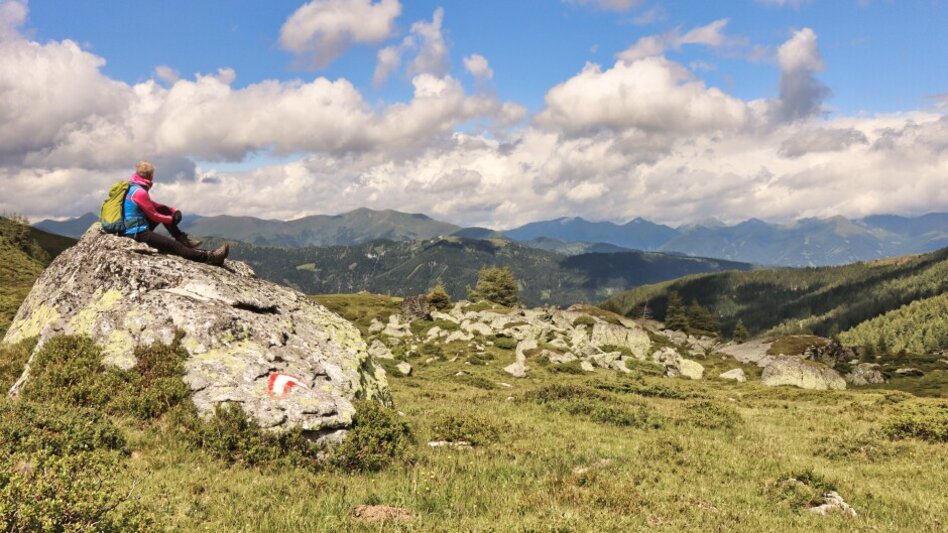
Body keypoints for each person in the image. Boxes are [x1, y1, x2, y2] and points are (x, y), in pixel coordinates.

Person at [122, 160, 229, 266]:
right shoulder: (140, 192)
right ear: (150, 176)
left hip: (133, 228)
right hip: (136, 233)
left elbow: (153, 205)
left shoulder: (133, 187)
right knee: (175, 246)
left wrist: (173, 211)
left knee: (163, 210)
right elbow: (154, 216)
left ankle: (182, 239)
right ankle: (210, 257)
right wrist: (171, 219)